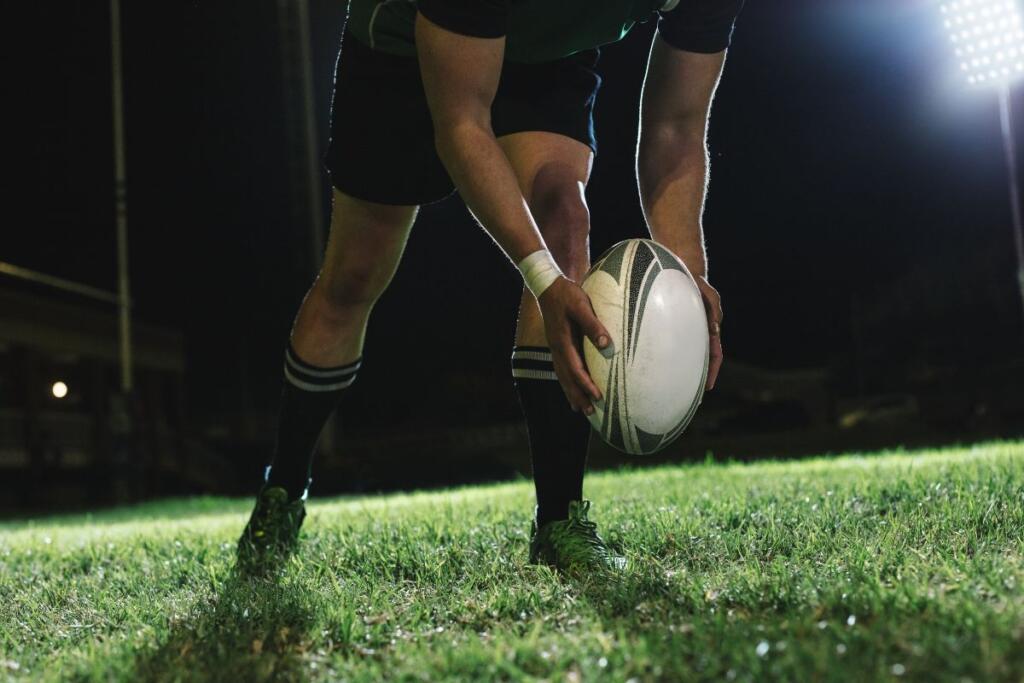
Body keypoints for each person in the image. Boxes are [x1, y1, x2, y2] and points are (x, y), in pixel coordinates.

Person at [236, 0, 741, 576]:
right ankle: (285, 485)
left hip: (543, 55)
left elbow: (676, 127)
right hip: (403, 43)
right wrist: (544, 280)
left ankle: (559, 519)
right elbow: (461, 124)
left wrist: (687, 274)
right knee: (354, 275)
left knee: (565, 217)